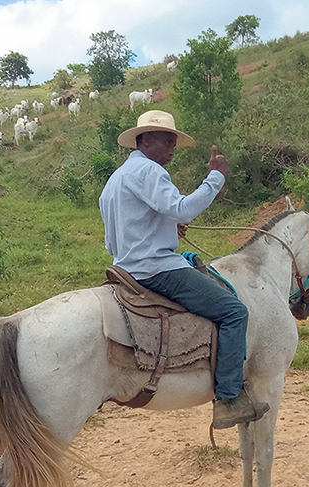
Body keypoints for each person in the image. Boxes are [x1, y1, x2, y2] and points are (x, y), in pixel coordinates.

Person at [99, 109, 270, 429]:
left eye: (174, 142)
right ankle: (230, 399)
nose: (172, 148)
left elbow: (115, 241)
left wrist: (166, 227)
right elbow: (182, 207)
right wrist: (216, 176)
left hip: (126, 270)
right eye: (167, 140)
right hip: (156, 270)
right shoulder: (149, 172)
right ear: (145, 139)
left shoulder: (114, 182)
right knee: (234, 311)